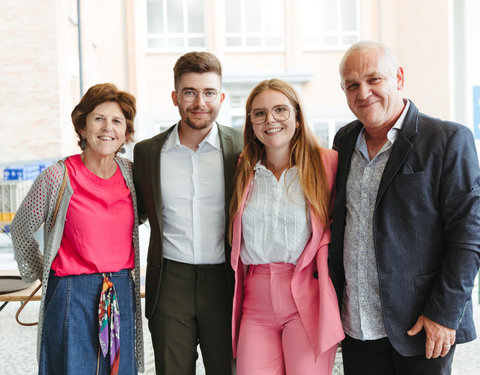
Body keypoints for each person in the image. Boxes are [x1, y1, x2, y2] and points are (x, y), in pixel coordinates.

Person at [329, 40, 480, 375]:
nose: (363, 92)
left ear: (398, 77)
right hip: (357, 327)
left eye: (373, 79)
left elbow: (468, 238)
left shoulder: (448, 140)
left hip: (421, 326)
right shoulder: (343, 141)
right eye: (352, 85)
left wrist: (444, 313)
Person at [11, 83, 144, 374]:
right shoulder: (57, 176)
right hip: (72, 294)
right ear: (82, 128)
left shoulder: (133, 176)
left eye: (117, 121)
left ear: (125, 133)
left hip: (120, 291)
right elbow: (21, 229)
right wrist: (43, 275)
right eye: (98, 118)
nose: (107, 127)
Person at [133, 51, 243, 375]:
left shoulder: (242, 147)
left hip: (225, 281)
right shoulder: (147, 152)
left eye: (209, 92)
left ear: (221, 97)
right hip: (170, 281)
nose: (200, 102)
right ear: (175, 97)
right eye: (190, 92)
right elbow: (132, 211)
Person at [228, 79, 344, 375]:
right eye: (260, 113)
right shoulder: (242, 168)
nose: (271, 120)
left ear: (297, 116)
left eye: (280, 110)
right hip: (255, 302)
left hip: (307, 299)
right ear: (251, 123)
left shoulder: (327, 164)